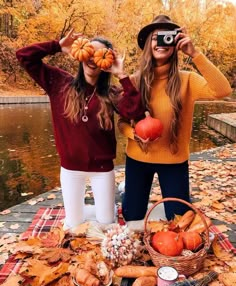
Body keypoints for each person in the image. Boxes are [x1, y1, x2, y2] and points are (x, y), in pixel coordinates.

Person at [16, 29, 144, 230]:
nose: (93, 58)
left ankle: (111, 202)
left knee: (106, 223)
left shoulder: (112, 94)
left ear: (106, 62)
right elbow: (24, 56)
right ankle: (86, 210)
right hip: (70, 169)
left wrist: (122, 75)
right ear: (80, 53)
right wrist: (57, 46)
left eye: (100, 55)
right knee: (73, 225)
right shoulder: (59, 83)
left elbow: (136, 113)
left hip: (102, 170)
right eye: (89, 52)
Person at [118, 15, 232, 227]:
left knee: (179, 221)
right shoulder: (134, 80)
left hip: (174, 160)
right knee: (131, 215)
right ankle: (129, 189)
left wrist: (195, 53)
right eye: (155, 38)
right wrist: (133, 135)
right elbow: (122, 122)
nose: (161, 43)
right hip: (138, 157)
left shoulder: (187, 80)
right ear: (147, 45)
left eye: (167, 37)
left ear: (176, 43)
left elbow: (223, 90)